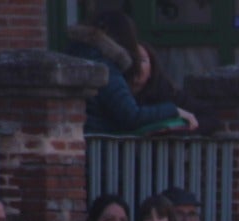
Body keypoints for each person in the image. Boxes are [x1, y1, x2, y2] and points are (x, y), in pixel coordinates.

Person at [65, 11, 197, 135]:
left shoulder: (80, 56)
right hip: (101, 151)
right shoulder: (105, 66)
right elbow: (131, 116)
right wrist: (174, 111)